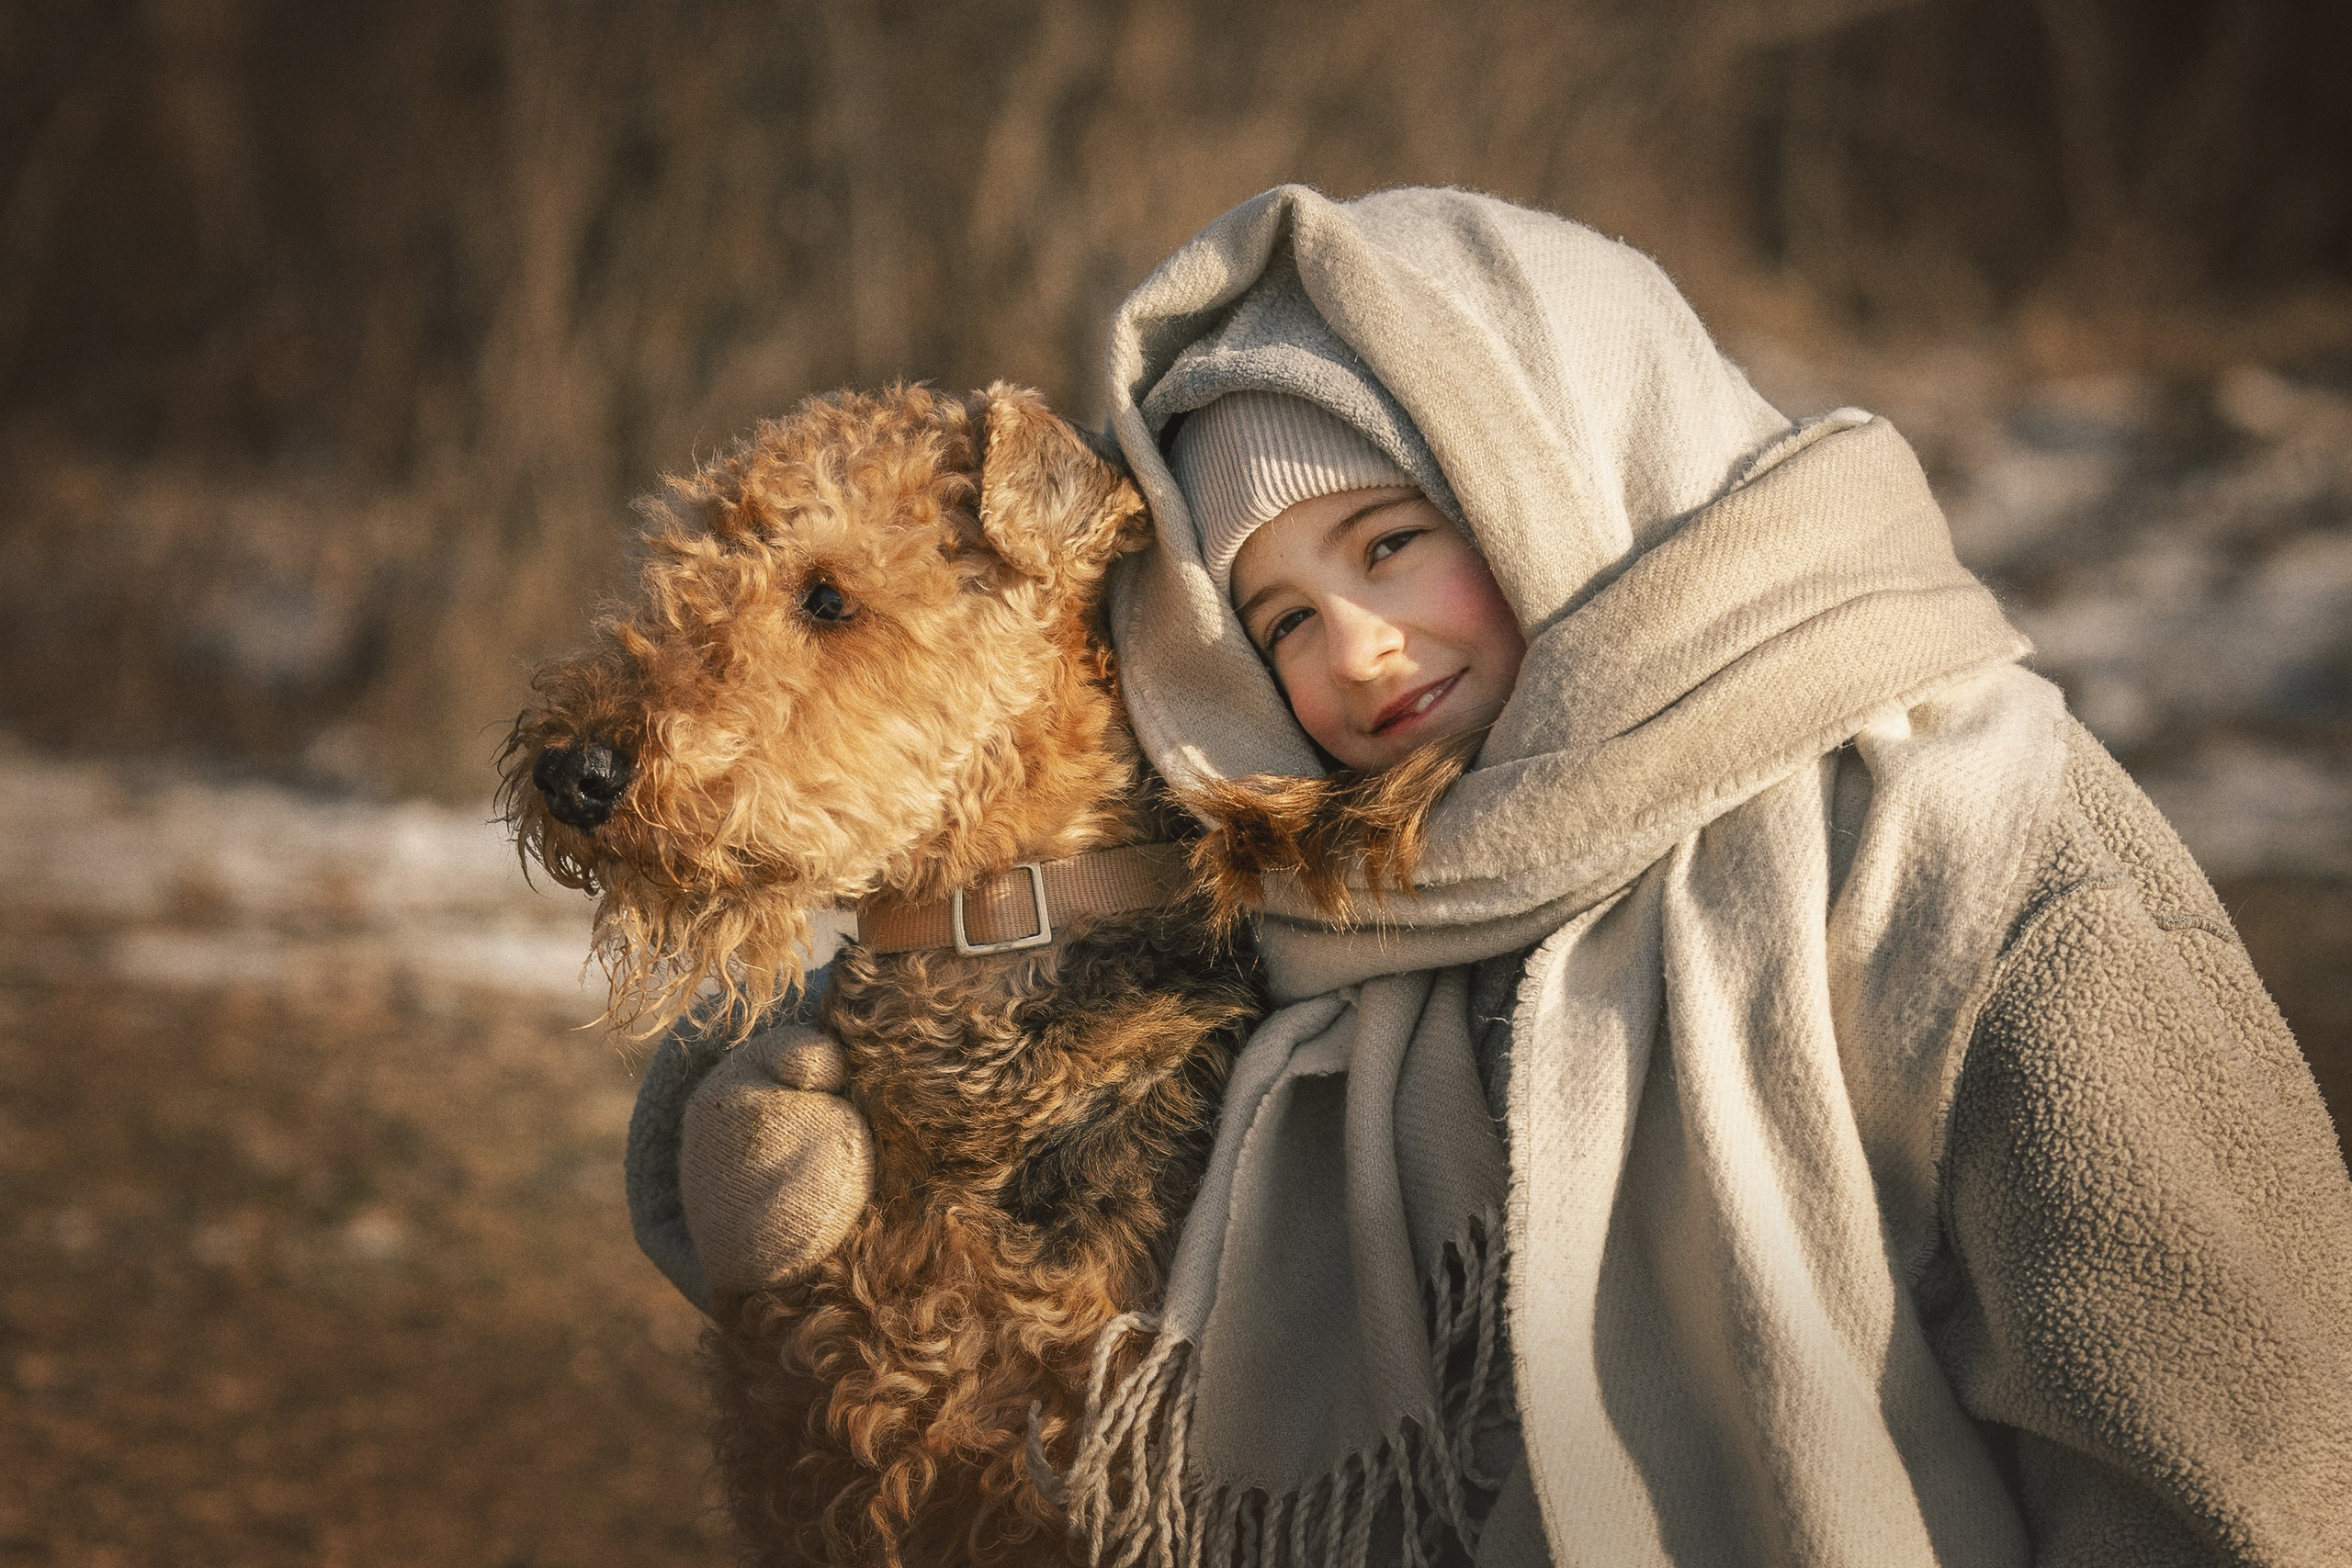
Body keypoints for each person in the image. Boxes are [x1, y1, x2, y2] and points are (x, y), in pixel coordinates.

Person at [639, 186, 2352, 1568]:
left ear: (1560, 463)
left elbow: (2247, 1442)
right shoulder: (1349, 892)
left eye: (1393, 544)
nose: (1358, 649)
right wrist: (782, 1154)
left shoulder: (1959, 838)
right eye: (1282, 619)